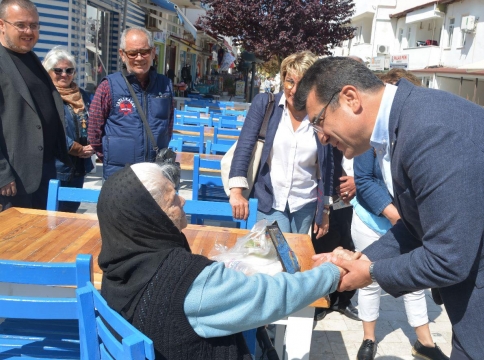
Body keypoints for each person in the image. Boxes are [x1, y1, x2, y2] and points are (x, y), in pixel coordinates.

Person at [295, 57, 484, 360]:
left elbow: (448, 257)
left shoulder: (432, 131)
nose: (321, 137)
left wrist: (370, 272)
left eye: (319, 121)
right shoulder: (405, 120)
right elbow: (418, 224)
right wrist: (362, 257)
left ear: (350, 98)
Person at [97, 162, 343, 360]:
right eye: (173, 199)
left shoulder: (117, 267)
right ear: (150, 217)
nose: (183, 202)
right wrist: (331, 273)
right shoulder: (186, 282)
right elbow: (271, 296)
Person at [351, 72, 446, 360]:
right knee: (368, 280)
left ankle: (424, 341)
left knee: (414, 282)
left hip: (409, 225)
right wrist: (395, 215)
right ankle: (369, 338)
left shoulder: (419, 133)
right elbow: (364, 179)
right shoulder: (370, 130)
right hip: (373, 220)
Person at [229, 50, 333, 238]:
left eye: (301, 84)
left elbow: (328, 164)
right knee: (275, 258)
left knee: (296, 261)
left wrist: (325, 208)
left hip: (306, 203)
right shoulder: (266, 104)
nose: (293, 90)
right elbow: (244, 148)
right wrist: (236, 192)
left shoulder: (322, 114)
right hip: (269, 200)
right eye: (289, 81)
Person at [0, 0, 72, 211]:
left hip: (42, 171)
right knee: (14, 242)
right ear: (2, 25)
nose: (29, 31)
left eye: (34, 25)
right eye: (21, 25)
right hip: (13, 179)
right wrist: (2, 173)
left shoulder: (32, 59)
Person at [87, 26, 173, 180]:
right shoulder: (108, 86)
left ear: (153, 52)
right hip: (119, 174)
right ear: (122, 54)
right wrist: (111, 154)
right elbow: (94, 131)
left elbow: (168, 126)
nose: (139, 58)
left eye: (144, 52)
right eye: (133, 53)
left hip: (155, 174)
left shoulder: (165, 85)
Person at [42, 47, 95, 212]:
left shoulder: (83, 95)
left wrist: (94, 144)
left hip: (79, 167)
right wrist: (74, 148)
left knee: (71, 214)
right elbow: (46, 129)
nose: (64, 74)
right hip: (56, 167)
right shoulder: (45, 96)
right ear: (48, 72)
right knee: (52, 215)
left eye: (68, 70)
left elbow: (95, 122)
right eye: (58, 70)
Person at [312, 149, 360, 322]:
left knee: (349, 246)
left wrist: (358, 181)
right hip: (330, 193)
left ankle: (343, 300)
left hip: (359, 196)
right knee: (324, 244)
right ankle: (321, 299)